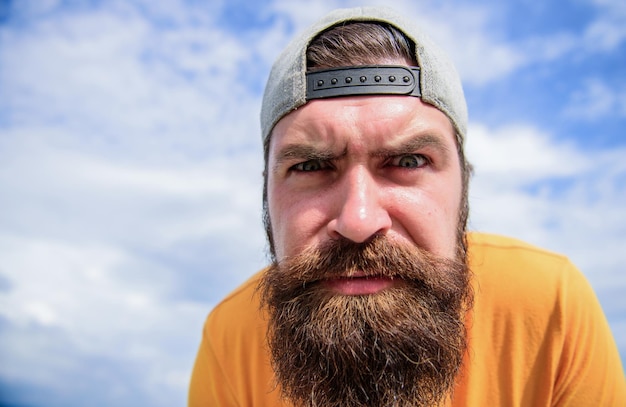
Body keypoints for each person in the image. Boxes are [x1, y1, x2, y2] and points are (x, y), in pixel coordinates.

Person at [188, 6, 626, 407]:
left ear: (463, 187)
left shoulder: (548, 307)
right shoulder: (230, 339)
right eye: (311, 166)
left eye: (409, 161)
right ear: (266, 194)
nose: (359, 221)